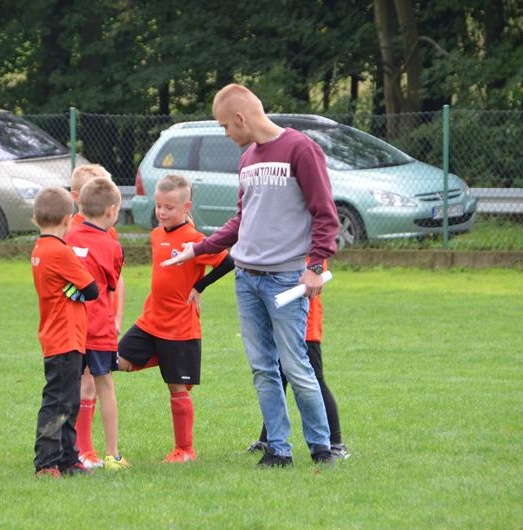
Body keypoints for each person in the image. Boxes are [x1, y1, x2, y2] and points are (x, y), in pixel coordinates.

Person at [162, 83, 340, 467]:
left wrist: (315, 267)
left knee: (296, 366)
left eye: (226, 126)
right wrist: (198, 248)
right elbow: (242, 220)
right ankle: (278, 450)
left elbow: (325, 214)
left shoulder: (301, 149)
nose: (226, 134)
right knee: (263, 370)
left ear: (241, 118)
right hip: (246, 279)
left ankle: (322, 448)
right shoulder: (247, 159)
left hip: (285, 280)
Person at [117, 174, 233, 463]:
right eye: (159, 206)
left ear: (186, 207)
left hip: (180, 328)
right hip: (150, 322)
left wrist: (199, 286)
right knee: (115, 361)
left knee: (176, 388)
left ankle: (185, 450)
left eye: (169, 207)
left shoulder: (195, 240)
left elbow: (228, 262)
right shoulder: (157, 234)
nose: (162, 212)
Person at [246, 260, 350, 459]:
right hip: (280, 324)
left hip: (303, 327)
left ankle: (335, 443)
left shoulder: (308, 252)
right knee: (277, 377)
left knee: (313, 380)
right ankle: (267, 439)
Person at [30, 186, 99, 478]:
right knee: (59, 402)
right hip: (65, 337)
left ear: (35, 218)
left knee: (68, 401)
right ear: (68, 219)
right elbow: (92, 289)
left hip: (59, 336)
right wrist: (75, 289)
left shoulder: (39, 248)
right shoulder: (61, 251)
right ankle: (46, 463)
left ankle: (68, 459)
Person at [64, 177, 131, 471]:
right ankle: (112, 455)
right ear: (112, 210)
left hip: (71, 326)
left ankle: (74, 451)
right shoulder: (111, 246)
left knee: (69, 387)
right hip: (99, 327)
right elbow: (112, 284)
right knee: (105, 386)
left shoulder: (69, 237)